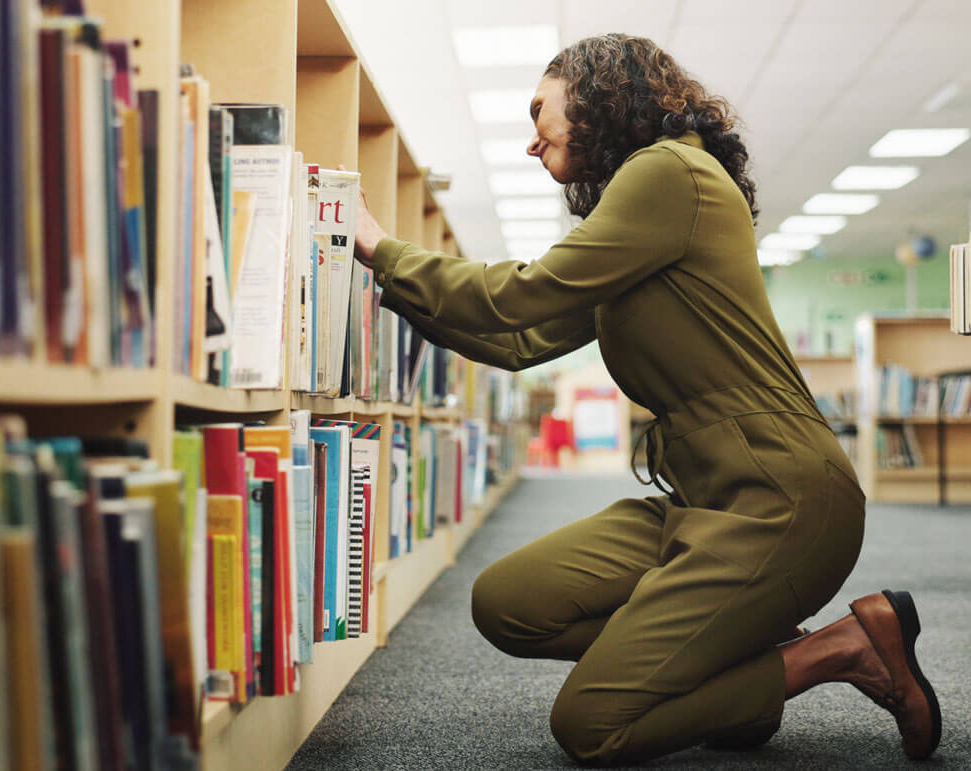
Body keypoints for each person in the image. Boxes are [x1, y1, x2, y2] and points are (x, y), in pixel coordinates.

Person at [351, 33, 942, 766]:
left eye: (541, 111)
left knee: (592, 724)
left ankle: (838, 650)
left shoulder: (668, 173)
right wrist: (380, 280)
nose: (532, 143)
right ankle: (731, 658)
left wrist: (383, 248)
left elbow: (519, 296)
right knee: (508, 600)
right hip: (700, 500)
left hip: (779, 502)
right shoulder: (641, 217)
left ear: (597, 94)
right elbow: (519, 340)